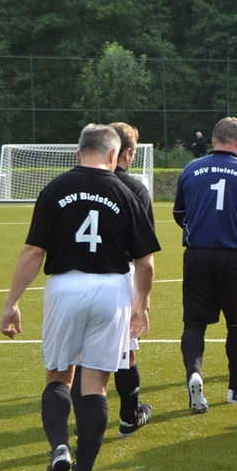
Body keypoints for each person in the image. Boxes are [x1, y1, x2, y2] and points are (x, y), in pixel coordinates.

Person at [0, 124, 159, 471]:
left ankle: (59, 448)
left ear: (77, 153)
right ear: (112, 155)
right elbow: (146, 263)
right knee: (96, 386)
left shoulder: (55, 189)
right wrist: (141, 302)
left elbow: (33, 253)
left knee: (59, 376)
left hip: (65, 288)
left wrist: (11, 302)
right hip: (111, 290)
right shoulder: (127, 190)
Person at [173, 117, 237, 412]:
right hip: (235, 258)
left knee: (194, 323)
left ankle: (194, 374)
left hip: (196, 256)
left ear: (214, 138)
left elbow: (180, 213)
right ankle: (236, 390)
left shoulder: (191, 169)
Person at [72, 121, 154, 438]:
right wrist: (143, 298)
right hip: (120, 279)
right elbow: (144, 251)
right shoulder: (134, 189)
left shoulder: (74, 183)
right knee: (126, 351)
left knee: (81, 356)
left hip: (77, 279)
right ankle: (129, 416)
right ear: (126, 153)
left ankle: (85, 419)